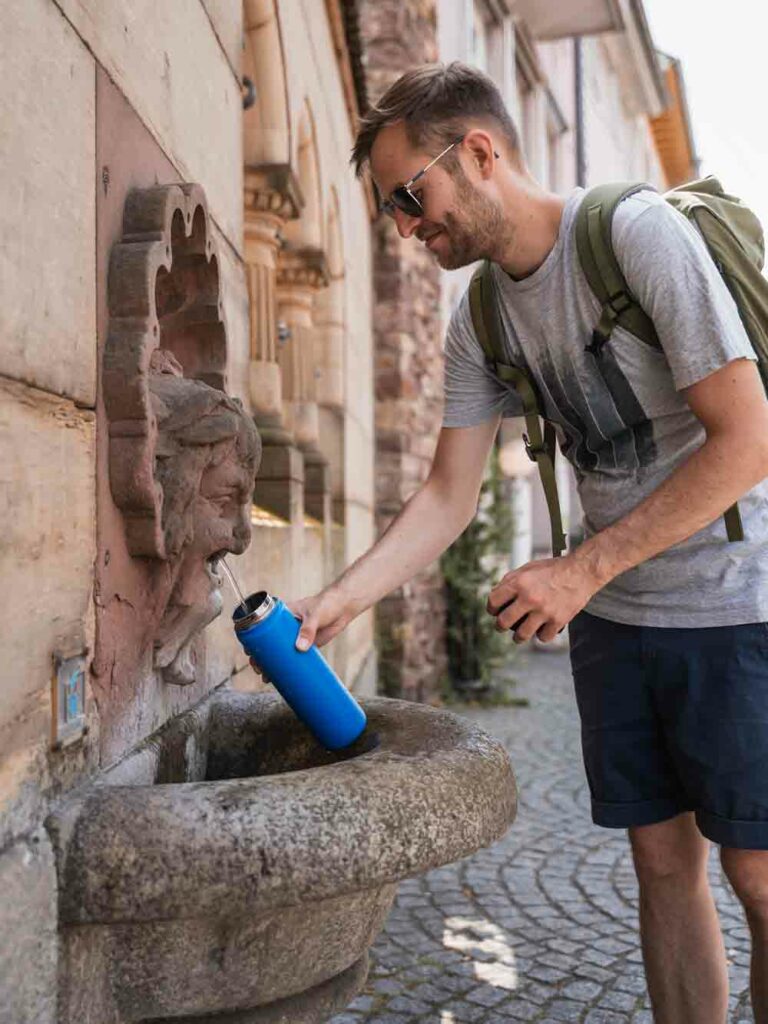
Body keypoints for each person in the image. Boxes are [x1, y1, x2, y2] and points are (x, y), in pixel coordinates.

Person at [280, 61, 768, 1023]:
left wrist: (578, 569)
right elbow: (446, 496)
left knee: (759, 873)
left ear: (479, 152)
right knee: (664, 868)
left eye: (410, 196)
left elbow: (749, 436)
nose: (408, 227)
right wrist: (336, 602)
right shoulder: (483, 319)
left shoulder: (635, 235)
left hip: (737, 607)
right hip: (620, 623)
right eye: (392, 212)